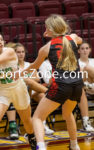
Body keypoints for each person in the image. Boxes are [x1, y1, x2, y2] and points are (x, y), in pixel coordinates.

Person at [16, 14, 83, 150]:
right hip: (77, 84)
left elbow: (34, 66)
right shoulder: (73, 38)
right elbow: (79, 40)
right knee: (67, 114)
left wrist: (19, 73)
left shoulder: (46, 48)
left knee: (37, 118)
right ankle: (74, 145)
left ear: (50, 30)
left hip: (61, 85)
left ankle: (41, 147)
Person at [11, 42, 54, 135]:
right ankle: (52, 93)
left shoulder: (29, 64)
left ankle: (42, 125)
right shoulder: (12, 66)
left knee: (43, 97)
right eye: (18, 52)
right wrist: (27, 79)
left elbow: (38, 78)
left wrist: (25, 78)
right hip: (19, 92)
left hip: (32, 91)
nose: (21, 54)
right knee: (29, 81)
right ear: (14, 54)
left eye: (23, 52)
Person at [78, 41, 94, 132]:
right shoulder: (76, 63)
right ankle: (86, 122)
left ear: (90, 50)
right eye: (82, 49)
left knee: (88, 68)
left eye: (87, 48)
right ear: (79, 51)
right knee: (85, 69)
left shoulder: (93, 61)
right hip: (83, 87)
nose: (85, 51)